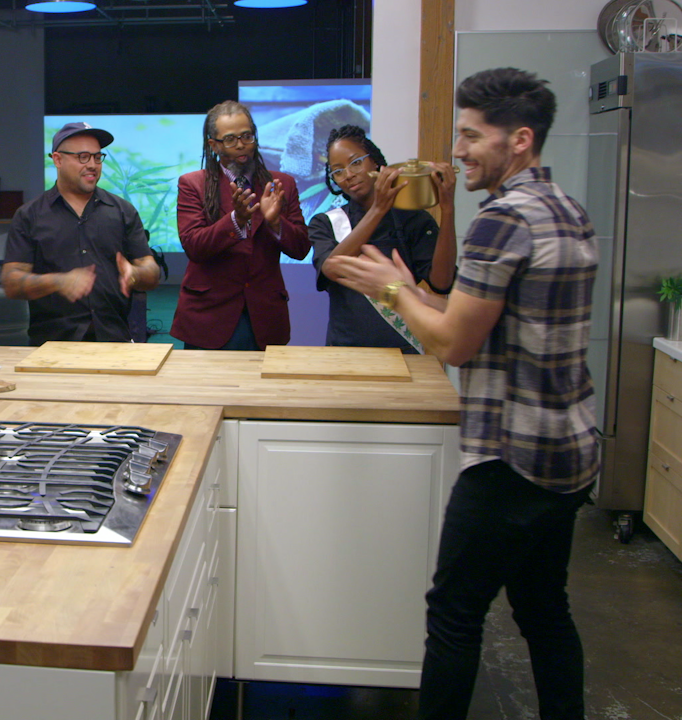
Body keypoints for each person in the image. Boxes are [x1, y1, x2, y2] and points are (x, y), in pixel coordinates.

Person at [332, 68, 598, 720]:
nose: (458, 150)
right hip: (569, 452)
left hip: (511, 458)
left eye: (473, 136)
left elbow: (453, 344)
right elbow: (491, 322)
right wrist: (412, 290)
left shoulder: (501, 221)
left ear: (521, 140)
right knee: (544, 609)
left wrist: (390, 290)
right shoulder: (565, 207)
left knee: (453, 614)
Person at [2, 122, 160, 344]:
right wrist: (57, 281)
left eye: (97, 157)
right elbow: (11, 281)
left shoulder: (122, 211)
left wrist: (135, 274)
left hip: (115, 342)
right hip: (51, 344)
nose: (93, 165)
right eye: (83, 157)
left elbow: (150, 269)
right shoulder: (30, 215)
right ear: (57, 160)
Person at [171, 100, 310, 350]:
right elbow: (194, 246)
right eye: (231, 139)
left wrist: (276, 222)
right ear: (213, 145)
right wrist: (237, 220)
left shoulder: (282, 184)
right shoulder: (193, 184)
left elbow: (300, 248)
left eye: (247, 136)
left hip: (266, 316)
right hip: (210, 317)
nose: (241, 145)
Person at [310, 125, 457, 353]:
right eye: (338, 171)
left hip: (405, 349)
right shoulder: (326, 222)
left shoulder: (413, 219)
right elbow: (333, 269)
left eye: (356, 162)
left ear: (376, 162)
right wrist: (378, 209)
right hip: (345, 350)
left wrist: (448, 210)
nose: (348, 175)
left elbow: (442, 282)